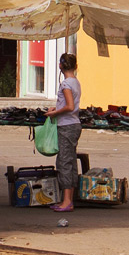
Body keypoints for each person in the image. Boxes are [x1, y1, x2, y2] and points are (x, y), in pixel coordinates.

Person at [43, 52, 81, 213]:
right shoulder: (76, 82)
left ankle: (66, 201)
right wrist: (57, 107)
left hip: (66, 125)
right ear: (75, 66)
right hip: (74, 125)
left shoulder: (66, 84)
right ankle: (69, 199)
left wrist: (54, 113)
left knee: (64, 162)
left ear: (60, 66)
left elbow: (70, 106)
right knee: (71, 162)